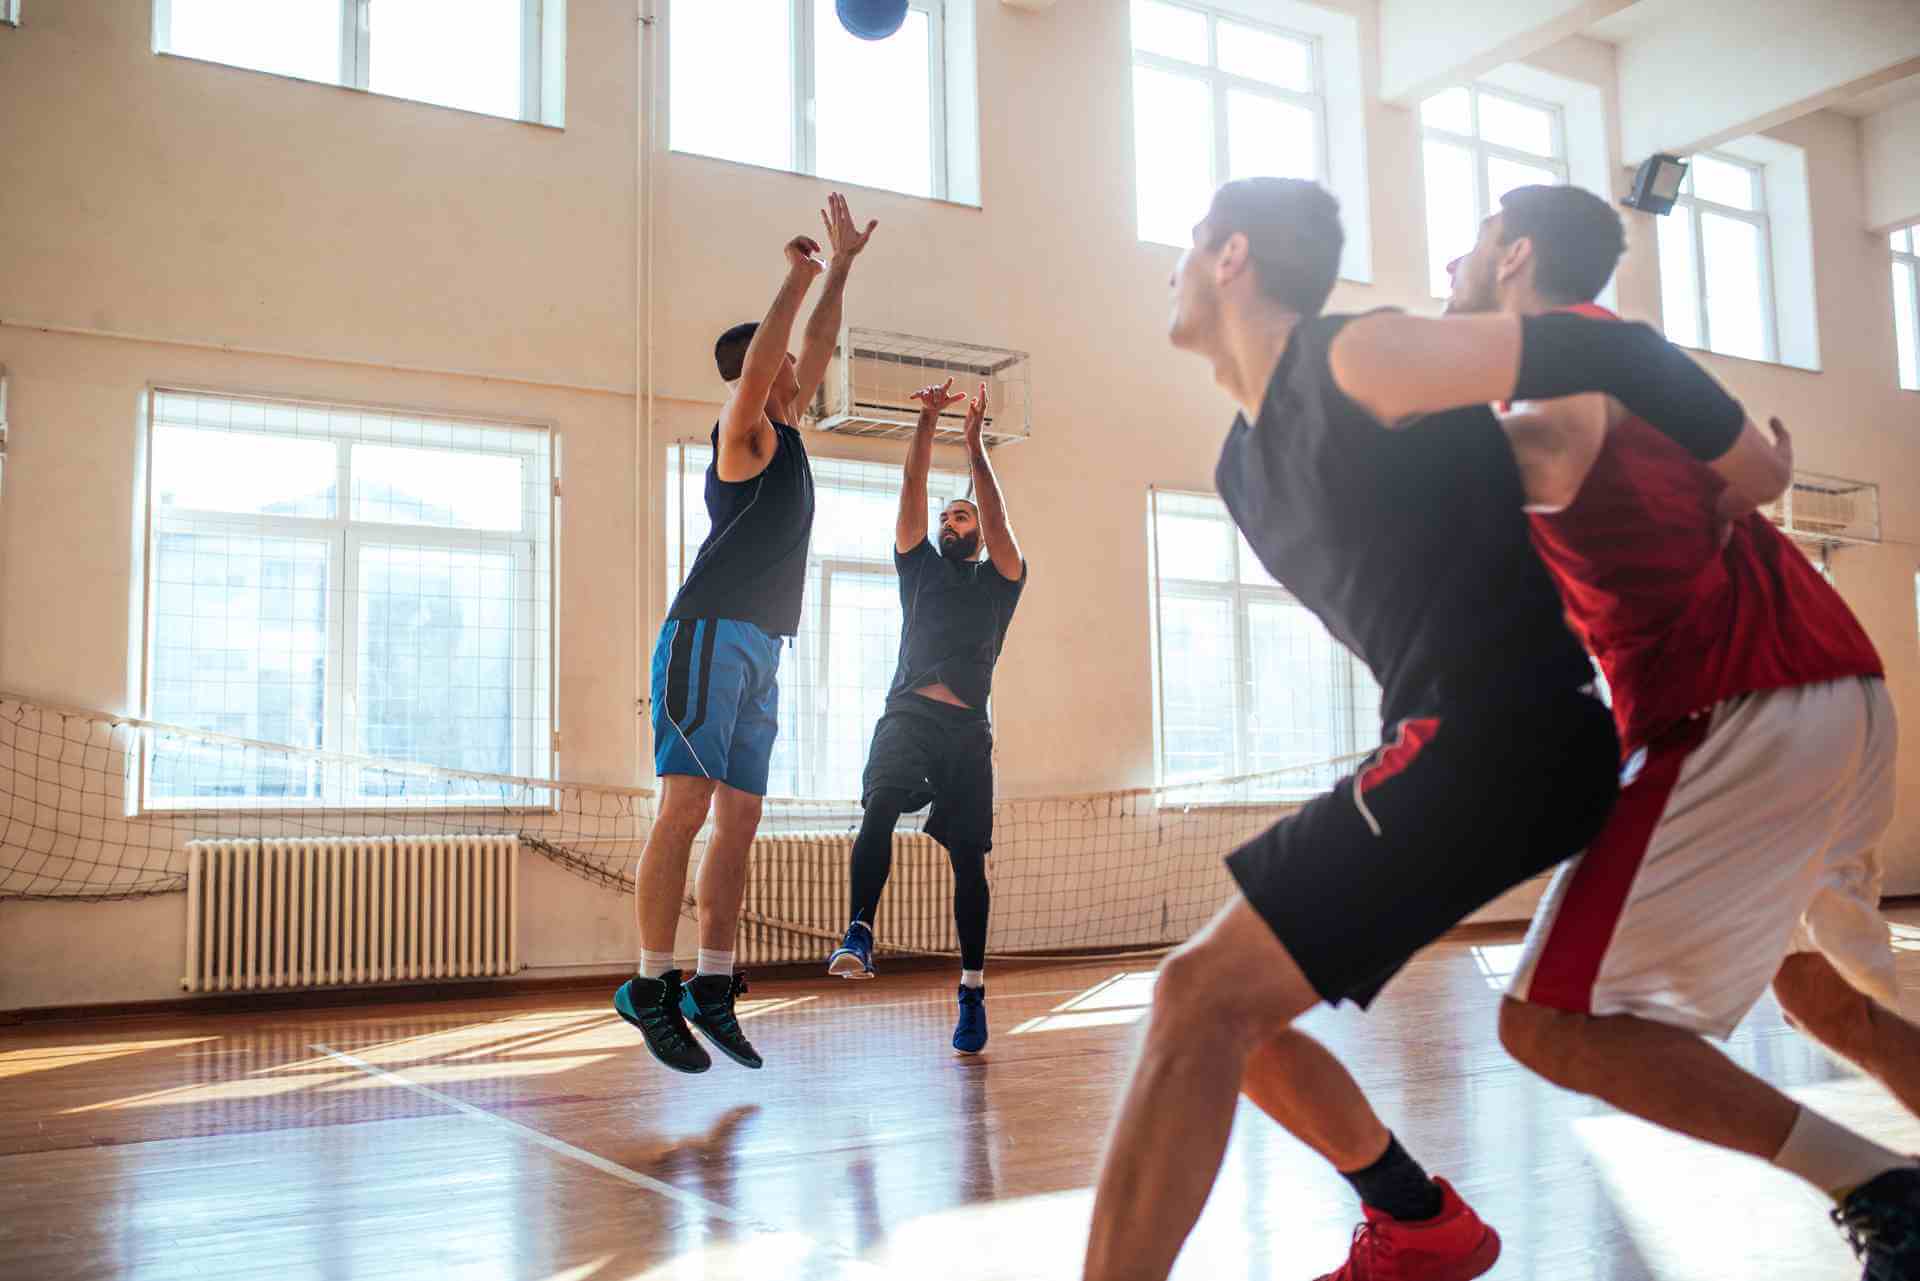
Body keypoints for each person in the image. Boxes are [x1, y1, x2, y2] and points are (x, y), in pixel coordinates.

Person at [1082, 175, 1781, 1281]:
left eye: (1186, 245)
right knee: (1233, 1019)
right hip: (1455, 739)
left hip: (1506, 733)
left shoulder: (1357, 356)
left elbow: (1616, 354)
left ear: (1232, 258)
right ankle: (1416, 1221)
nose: (1170, 268)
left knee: (1193, 997)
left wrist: (1758, 467)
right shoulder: (1240, 464)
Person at [1443, 183, 1920, 1280]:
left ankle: (1882, 1184)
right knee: (1827, 999)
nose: (1457, 264)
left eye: (1472, 241)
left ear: (1515, 255)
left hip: (1738, 705)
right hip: (1841, 686)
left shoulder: (1552, 359)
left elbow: (1547, 455)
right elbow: (1737, 467)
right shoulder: (1629, 362)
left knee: (1549, 1026)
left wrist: (1388, 454)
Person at [614, 194, 878, 1076]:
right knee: (685, 808)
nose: (803, 372)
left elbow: (816, 344)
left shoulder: (792, 435)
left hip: (763, 645)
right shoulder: (744, 436)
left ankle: (713, 983)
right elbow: (777, 354)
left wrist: (839, 268)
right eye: (781, 372)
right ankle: (651, 981)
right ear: (754, 383)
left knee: (742, 816)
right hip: (706, 634)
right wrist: (797, 275)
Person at [825, 378, 1026, 1055]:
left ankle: (971, 989)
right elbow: (911, 494)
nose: (951, 523)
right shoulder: (919, 571)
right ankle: (859, 928)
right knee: (880, 803)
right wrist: (926, 423)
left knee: (969, 860)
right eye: (947, 520)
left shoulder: (1001, 580)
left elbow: (998, 522)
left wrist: (974, 446)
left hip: (968, 731)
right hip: (908, 713)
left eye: (960, 518)